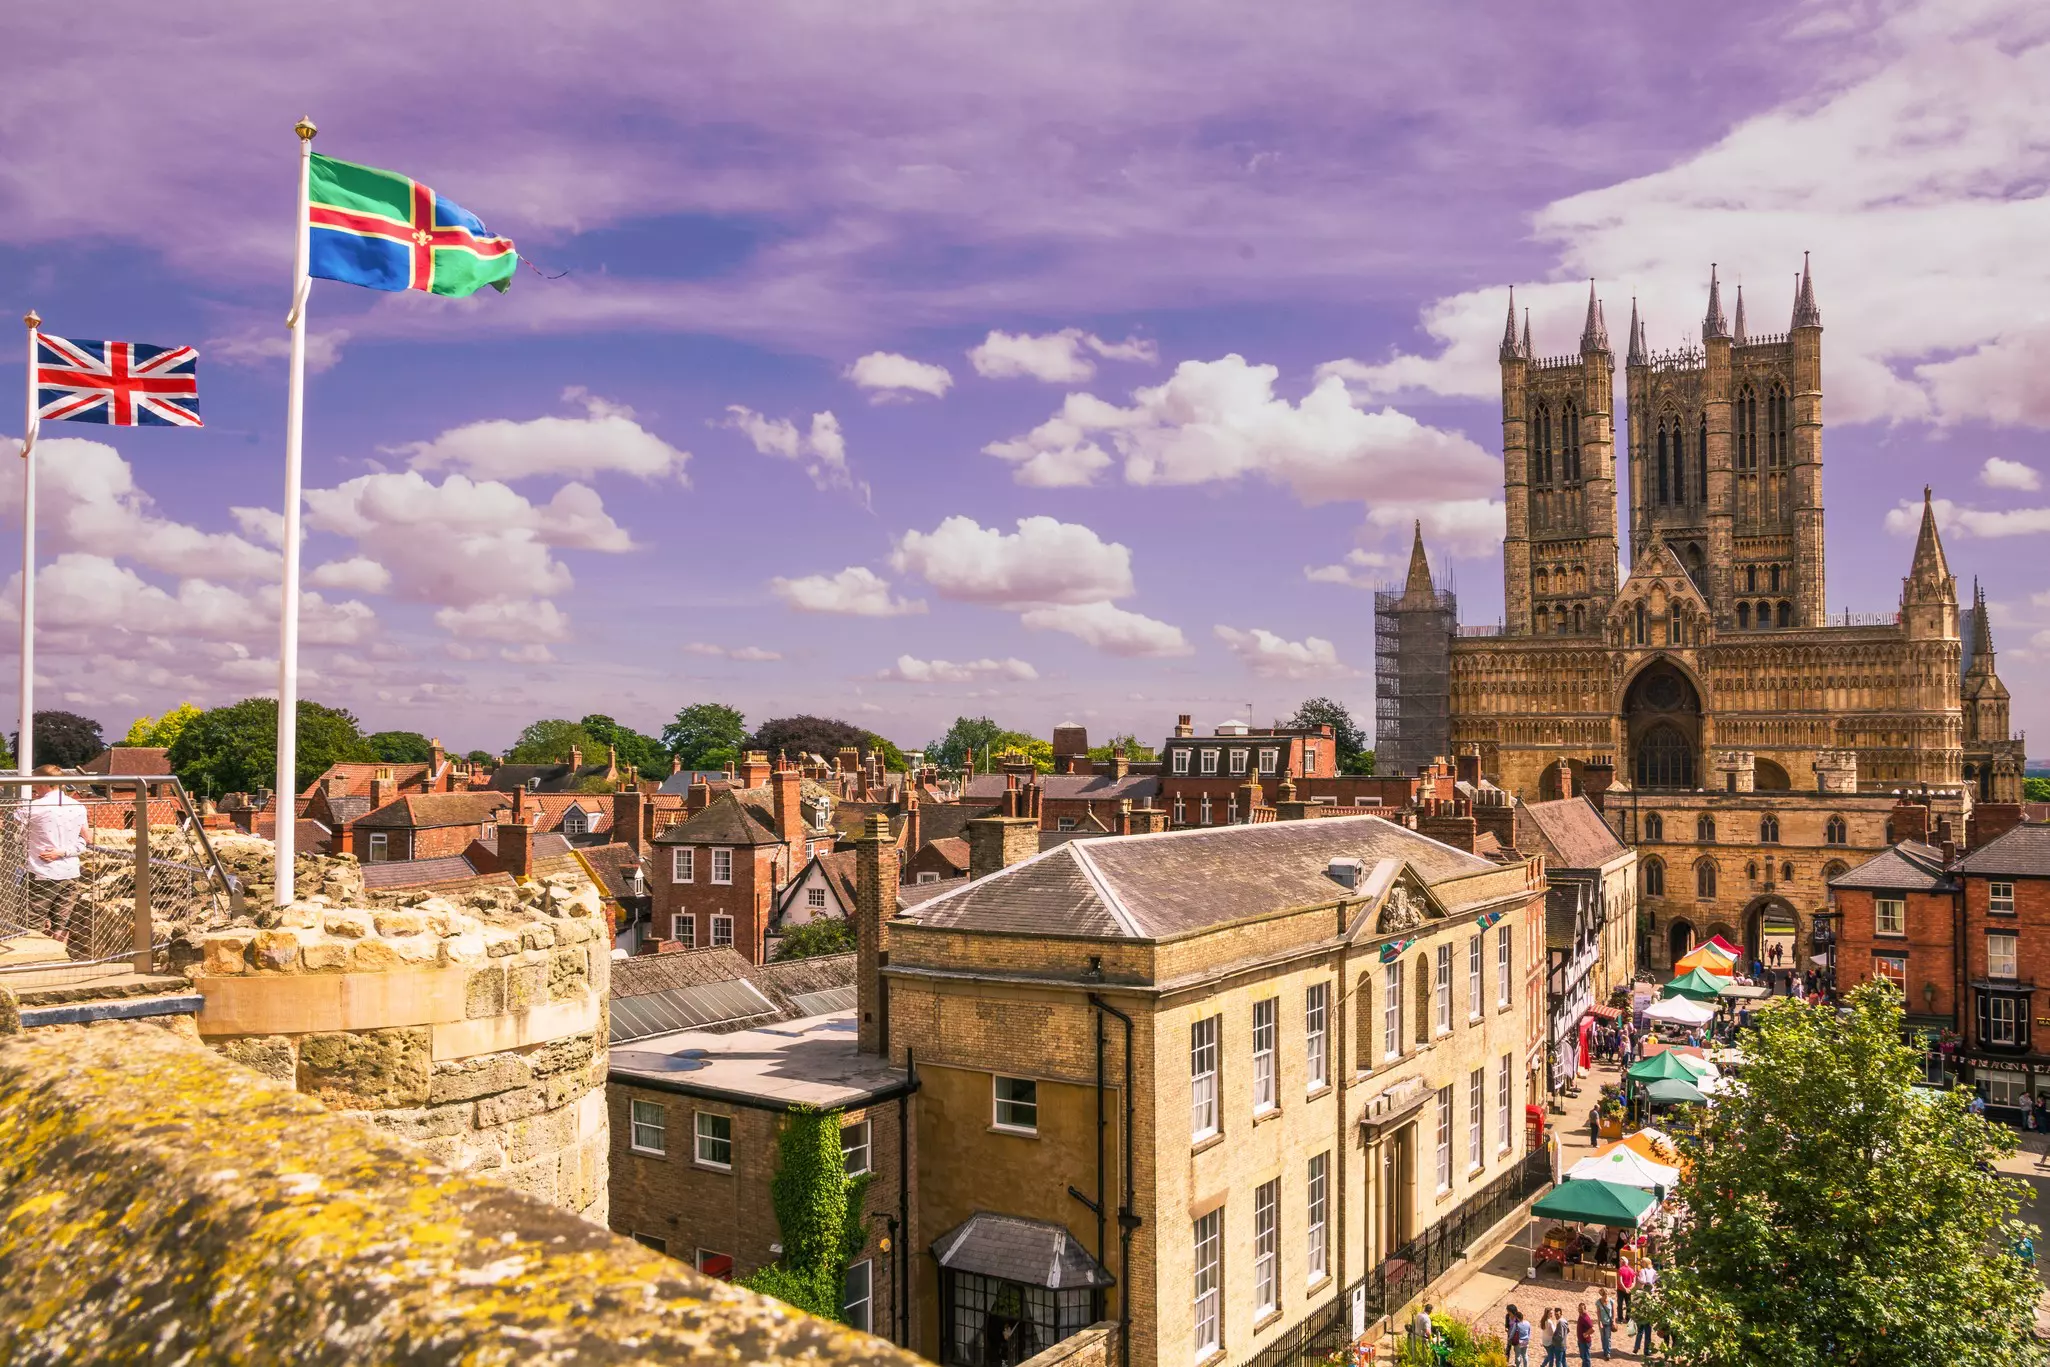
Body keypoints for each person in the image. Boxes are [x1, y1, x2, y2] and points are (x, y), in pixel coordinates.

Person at [16, 765, 90, 955]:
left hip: (41, 872)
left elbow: (14, 835)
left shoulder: (31, 807)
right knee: (62, 922)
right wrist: (63, 851)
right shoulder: (77, 806)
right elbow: (87, 838)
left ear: (40, 782)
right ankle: (58, 957)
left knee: (31, 920)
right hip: (70, 872)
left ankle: (33, 958)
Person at [1615, 1256, 1636, 1323]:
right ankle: (1628, 1318)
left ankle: (1620, 1318)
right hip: (1629, 1289)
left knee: (1620, 1304)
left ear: (1622, 1262)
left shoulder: (1621, 1269)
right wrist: (1629, 1289)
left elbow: (1620, 1281)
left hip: (1621, 1289)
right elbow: (1634, 1282)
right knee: (1628, 1304)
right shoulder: (1632, 1270)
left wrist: (1625, 1288)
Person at [1595, 1288, 1615, 1360]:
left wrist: (1613, 1320)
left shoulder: (1611, 1301)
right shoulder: (1598, 1302)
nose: (1606, 1296)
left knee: (1608, 1337)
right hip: (1602, 1322)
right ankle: (1604, 1350)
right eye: (1604, 1295)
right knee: (1603, 1337)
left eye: (1607, 1295)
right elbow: (1598, 1312)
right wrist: (1599, 1321)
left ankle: (1608, 1352)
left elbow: (1613, 1311)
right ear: (1602, 1295)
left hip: (1609, 1322)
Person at [1575, 1302, 1594, 1367]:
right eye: (1579, 1309)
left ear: (1585, 1309)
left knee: (1586, 1359)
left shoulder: (1585, 1318)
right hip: (1581, 1341)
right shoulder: (1581, 1315)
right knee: (1583, 1357)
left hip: (1585, 1342)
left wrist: (1586, 1333)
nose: (1580, 1310)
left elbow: (1592, 1329)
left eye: (1581, 1309)